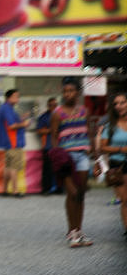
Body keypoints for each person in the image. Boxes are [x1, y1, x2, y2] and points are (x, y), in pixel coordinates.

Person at [50, 77, 95, 248]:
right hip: (66, 158)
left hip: (83, 155)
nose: (67, 94)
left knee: (81, 193)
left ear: (78, 92)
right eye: (65, 91)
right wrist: (58, 157)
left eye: (71, 91)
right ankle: (72, 231)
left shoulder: (84, 111)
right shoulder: (57, 113)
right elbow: (54, 137)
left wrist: (96, 156)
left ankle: (79, 230)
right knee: (73, 193)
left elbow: (90, 133)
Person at [100, 92, 127, 242]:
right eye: (116, 104)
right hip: (118, 164)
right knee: (125, 199)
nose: (119, 106)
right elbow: (103, 147)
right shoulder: (110, 125)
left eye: (122, 102)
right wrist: (121, 150)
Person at [0, 89, 30, 196]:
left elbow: (10, 122)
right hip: (13, 141)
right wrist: (24, 124)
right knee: (14, 167)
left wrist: (21, 118)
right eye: (15, 96)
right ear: (9, 97)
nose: (17, 99)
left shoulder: (6, 108)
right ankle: (15, 191)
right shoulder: (7, 108)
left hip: (8, 142)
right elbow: (11, 126)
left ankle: (5, 190)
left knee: (8, 166)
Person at [37, 97, 59, 194]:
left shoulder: (61, 115)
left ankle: (59, 188)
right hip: (47, 146)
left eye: (54, 105)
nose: (53, 107)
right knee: (47, 170)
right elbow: (39, 130)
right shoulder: (43, 117)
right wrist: (52, 130)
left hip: (60, 146)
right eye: (51, 105)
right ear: (47, 106)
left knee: (60, 168)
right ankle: (46, 189)